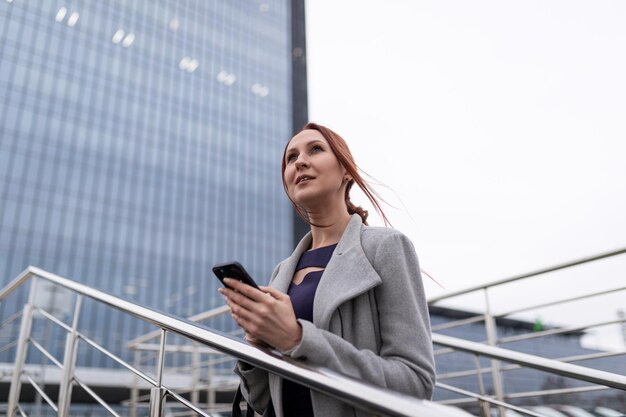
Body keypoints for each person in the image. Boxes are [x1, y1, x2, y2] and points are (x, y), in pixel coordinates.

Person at [218, 123, 435, 417]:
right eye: (291, 158)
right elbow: (260, 402)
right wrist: (257, 344)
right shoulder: (281, 272)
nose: (300, 162)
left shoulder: (386, 247)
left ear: (346, 171)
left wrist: (297, 339)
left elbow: (415, 383)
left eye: (316, 149)